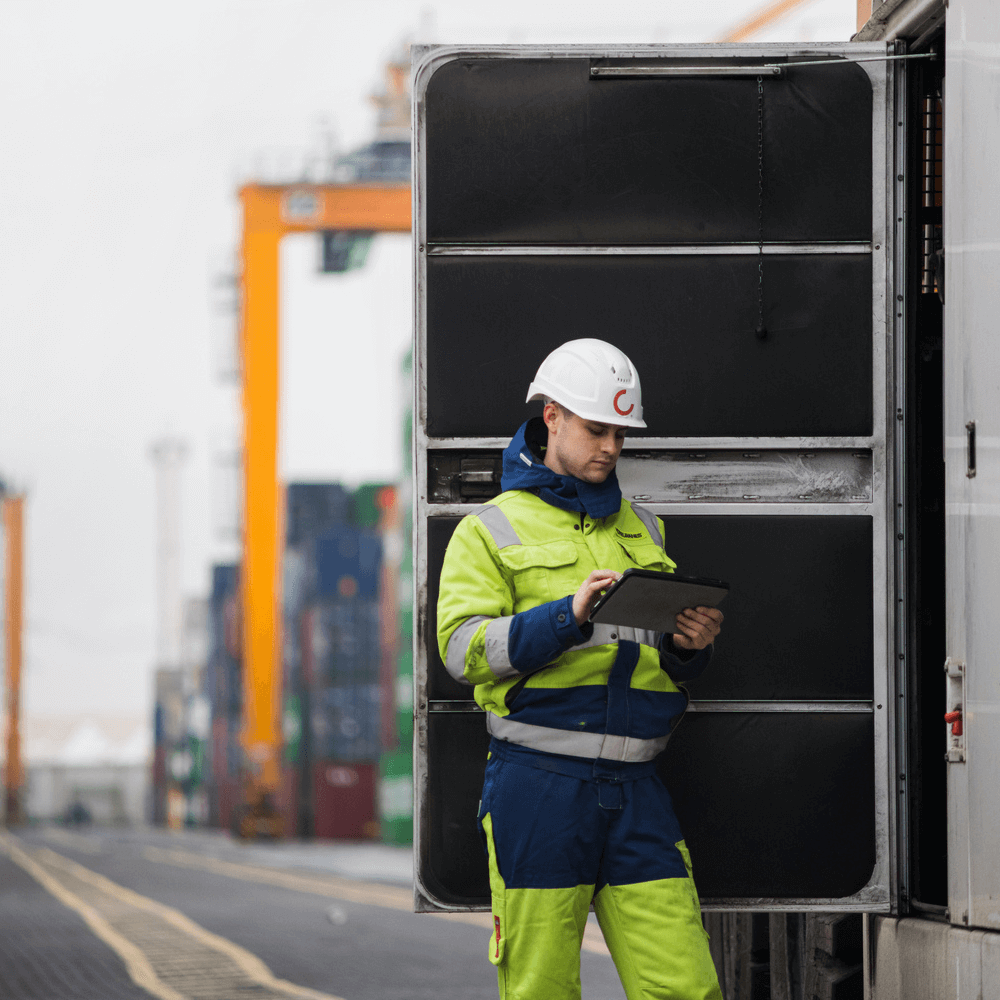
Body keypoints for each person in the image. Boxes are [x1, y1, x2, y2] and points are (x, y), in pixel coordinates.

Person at [436, 338, 725, 1000]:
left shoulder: (643, 529)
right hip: (538, 790)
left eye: (621, 434)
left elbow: (654, 659)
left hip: (638, 792)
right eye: (597, 429)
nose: (612, 448)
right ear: (553, 418)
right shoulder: (488, 531)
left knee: (689, 989)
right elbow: (461, 650)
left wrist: (688, 646)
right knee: (541, 990)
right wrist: (566, 616)